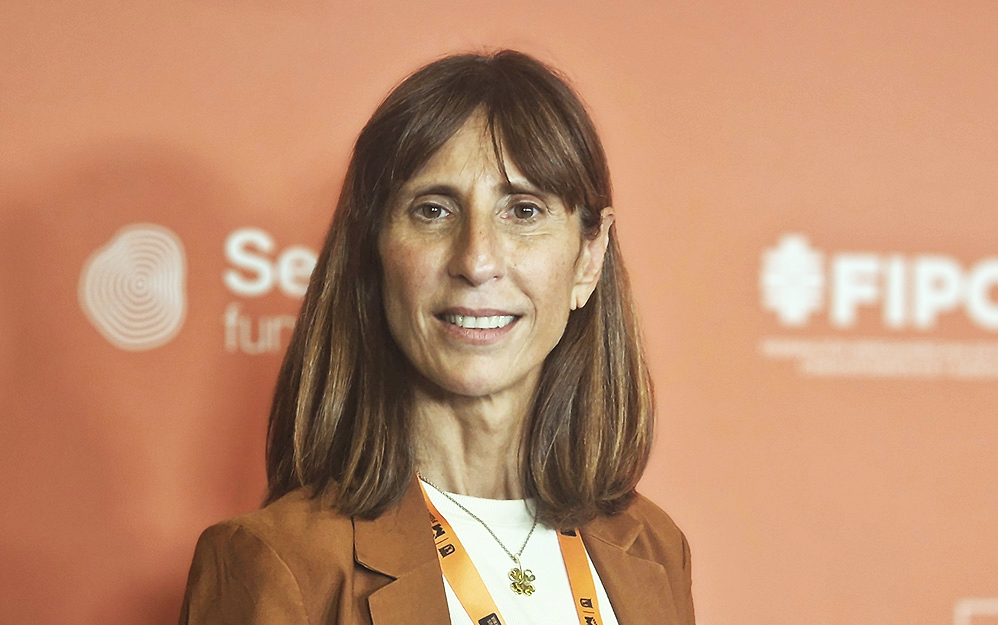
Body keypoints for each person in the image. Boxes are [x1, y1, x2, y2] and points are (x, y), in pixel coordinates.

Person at [180, 49, 695, 625]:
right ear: (374, 253)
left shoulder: (654, 549)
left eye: (524, 211)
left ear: (588, 258)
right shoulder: (277, 563)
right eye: (433, 210)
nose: (476, 261)